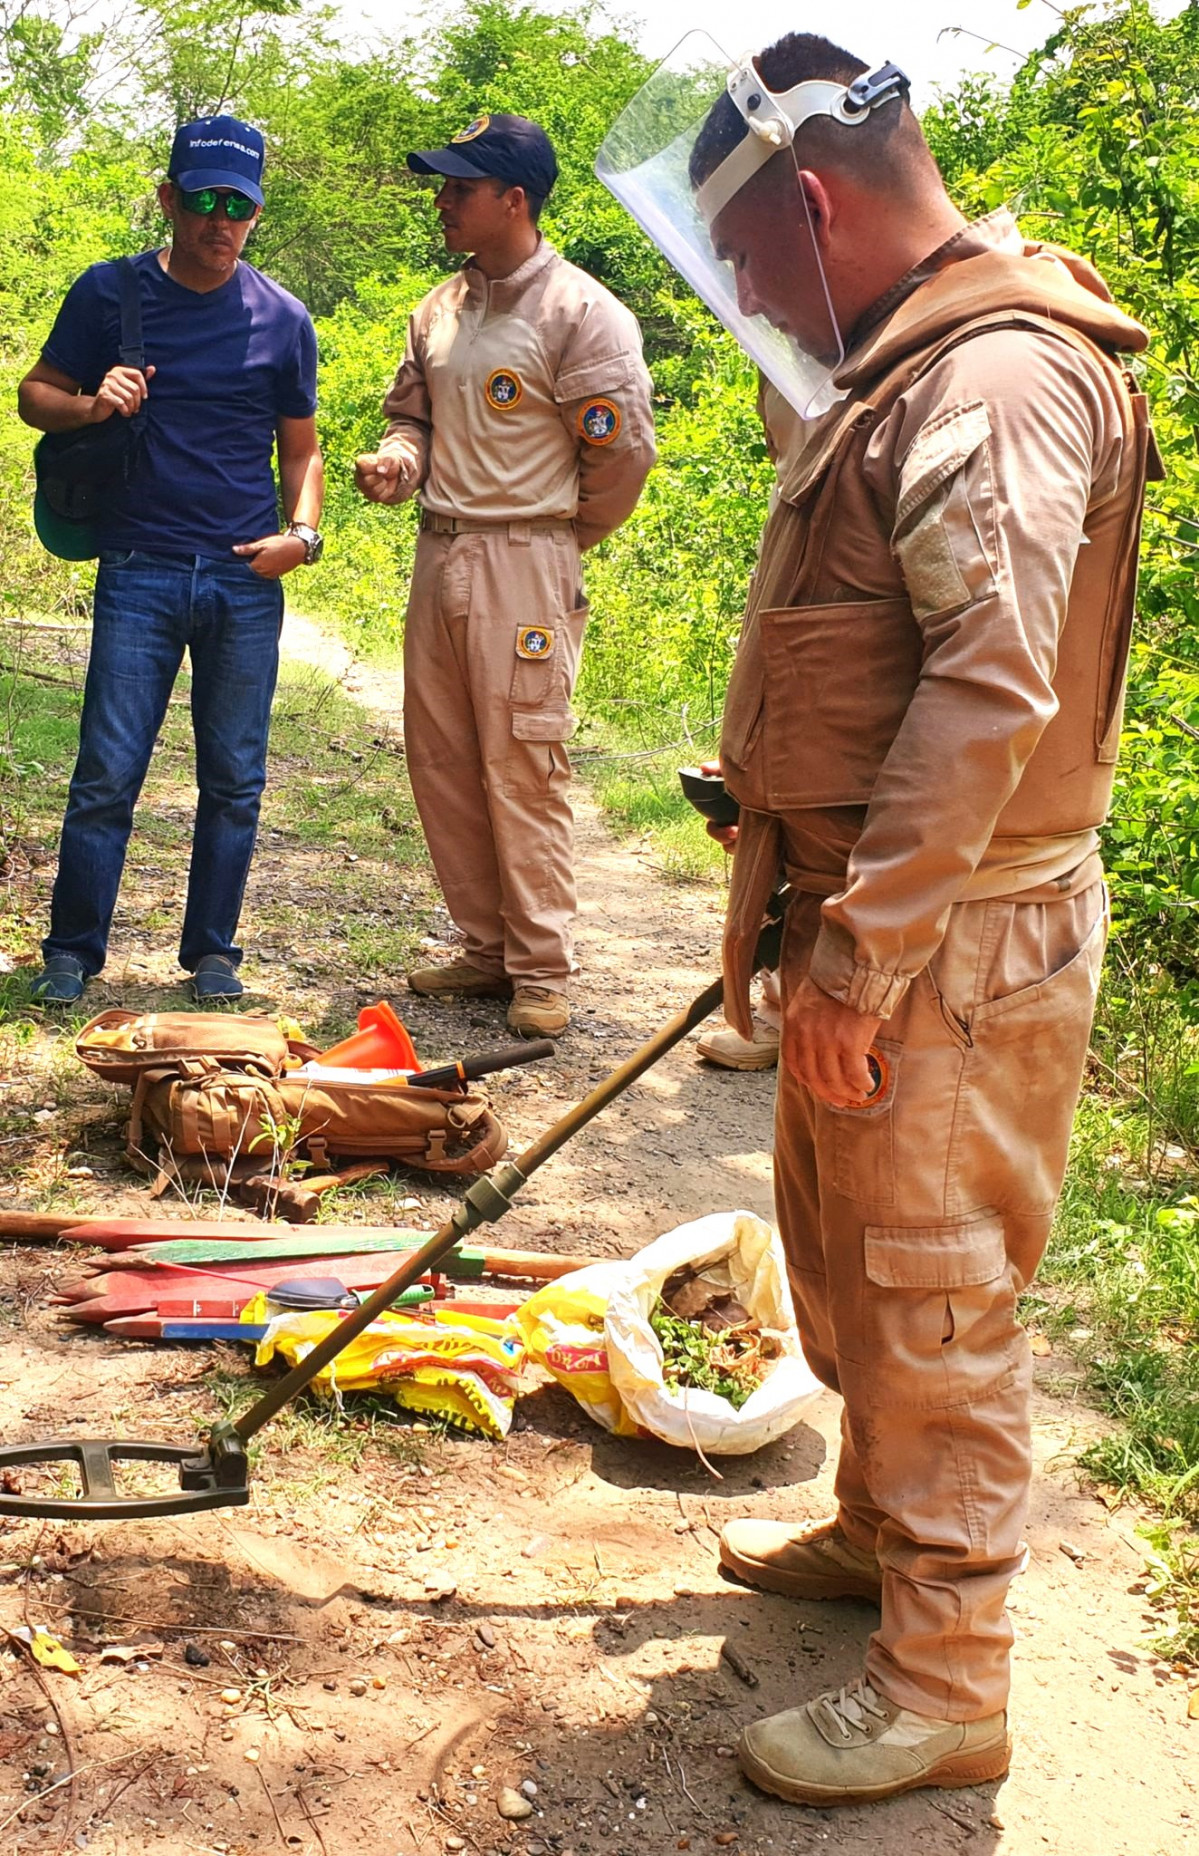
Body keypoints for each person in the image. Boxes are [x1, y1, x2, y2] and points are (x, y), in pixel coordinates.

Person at [599, 33, 1156, 1809]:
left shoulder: (990, 382)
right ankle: (872, 1525)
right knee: (845, 1273)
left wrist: (862, 950)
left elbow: (987, 692)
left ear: (817, 200)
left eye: (749, 258)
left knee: (927, 1301)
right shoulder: (903, 357)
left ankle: (944, 1681)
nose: (749, 292)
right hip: (877, 919)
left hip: (944, 943)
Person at [355, 113, 655, 1038]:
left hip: (525, 560)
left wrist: (554, 545)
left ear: (512, 200)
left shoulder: (581, 312)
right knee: (441, 756)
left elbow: (622, 459)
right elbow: (417, 417)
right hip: (438, 551)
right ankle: (485, 948)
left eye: (459, 187)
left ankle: (541, 968)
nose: (441, 201)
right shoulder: (439, 308)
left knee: (524, 760)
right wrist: (400, 462)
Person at [19, 115, 324, 1005]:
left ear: (258, 213)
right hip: (140, 567)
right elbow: (36, 395)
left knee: (235, 777)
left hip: (244, 573)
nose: (220, 222)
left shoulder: (283, 319)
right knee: (107, 771)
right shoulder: (109, 294)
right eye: (203, 202)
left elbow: (299, 449)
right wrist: (89, 404)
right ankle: (72, 952)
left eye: (240, 205)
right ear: (169, 201)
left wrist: (300, 538)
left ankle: (214, 954)